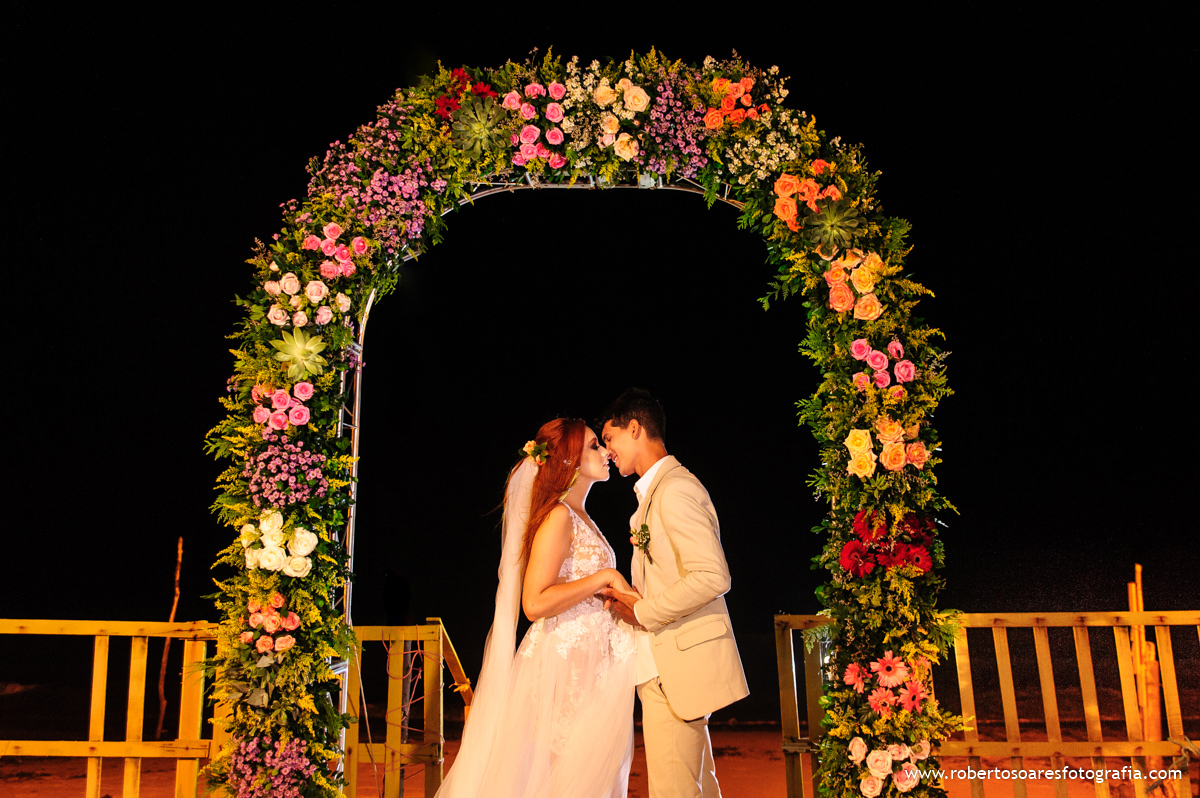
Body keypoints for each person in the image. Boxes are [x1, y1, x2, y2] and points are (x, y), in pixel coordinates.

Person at [435, 418, 638, 798]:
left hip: (592, 665)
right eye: (595, 446)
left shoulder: (583, 518)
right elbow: (534, 601)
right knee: (562, 778)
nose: (606, 451)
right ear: (569, 461)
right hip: (564, 671)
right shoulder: (560, 517)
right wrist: (604, 577)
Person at [599, 388, 749, 798]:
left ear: (635, 428)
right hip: (665, 668)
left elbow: (713, 575)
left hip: (674, 671)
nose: (607, 450)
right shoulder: (651, 495)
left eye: (609, 438)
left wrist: (643, 611)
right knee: (697, 788)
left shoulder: (676, 489)